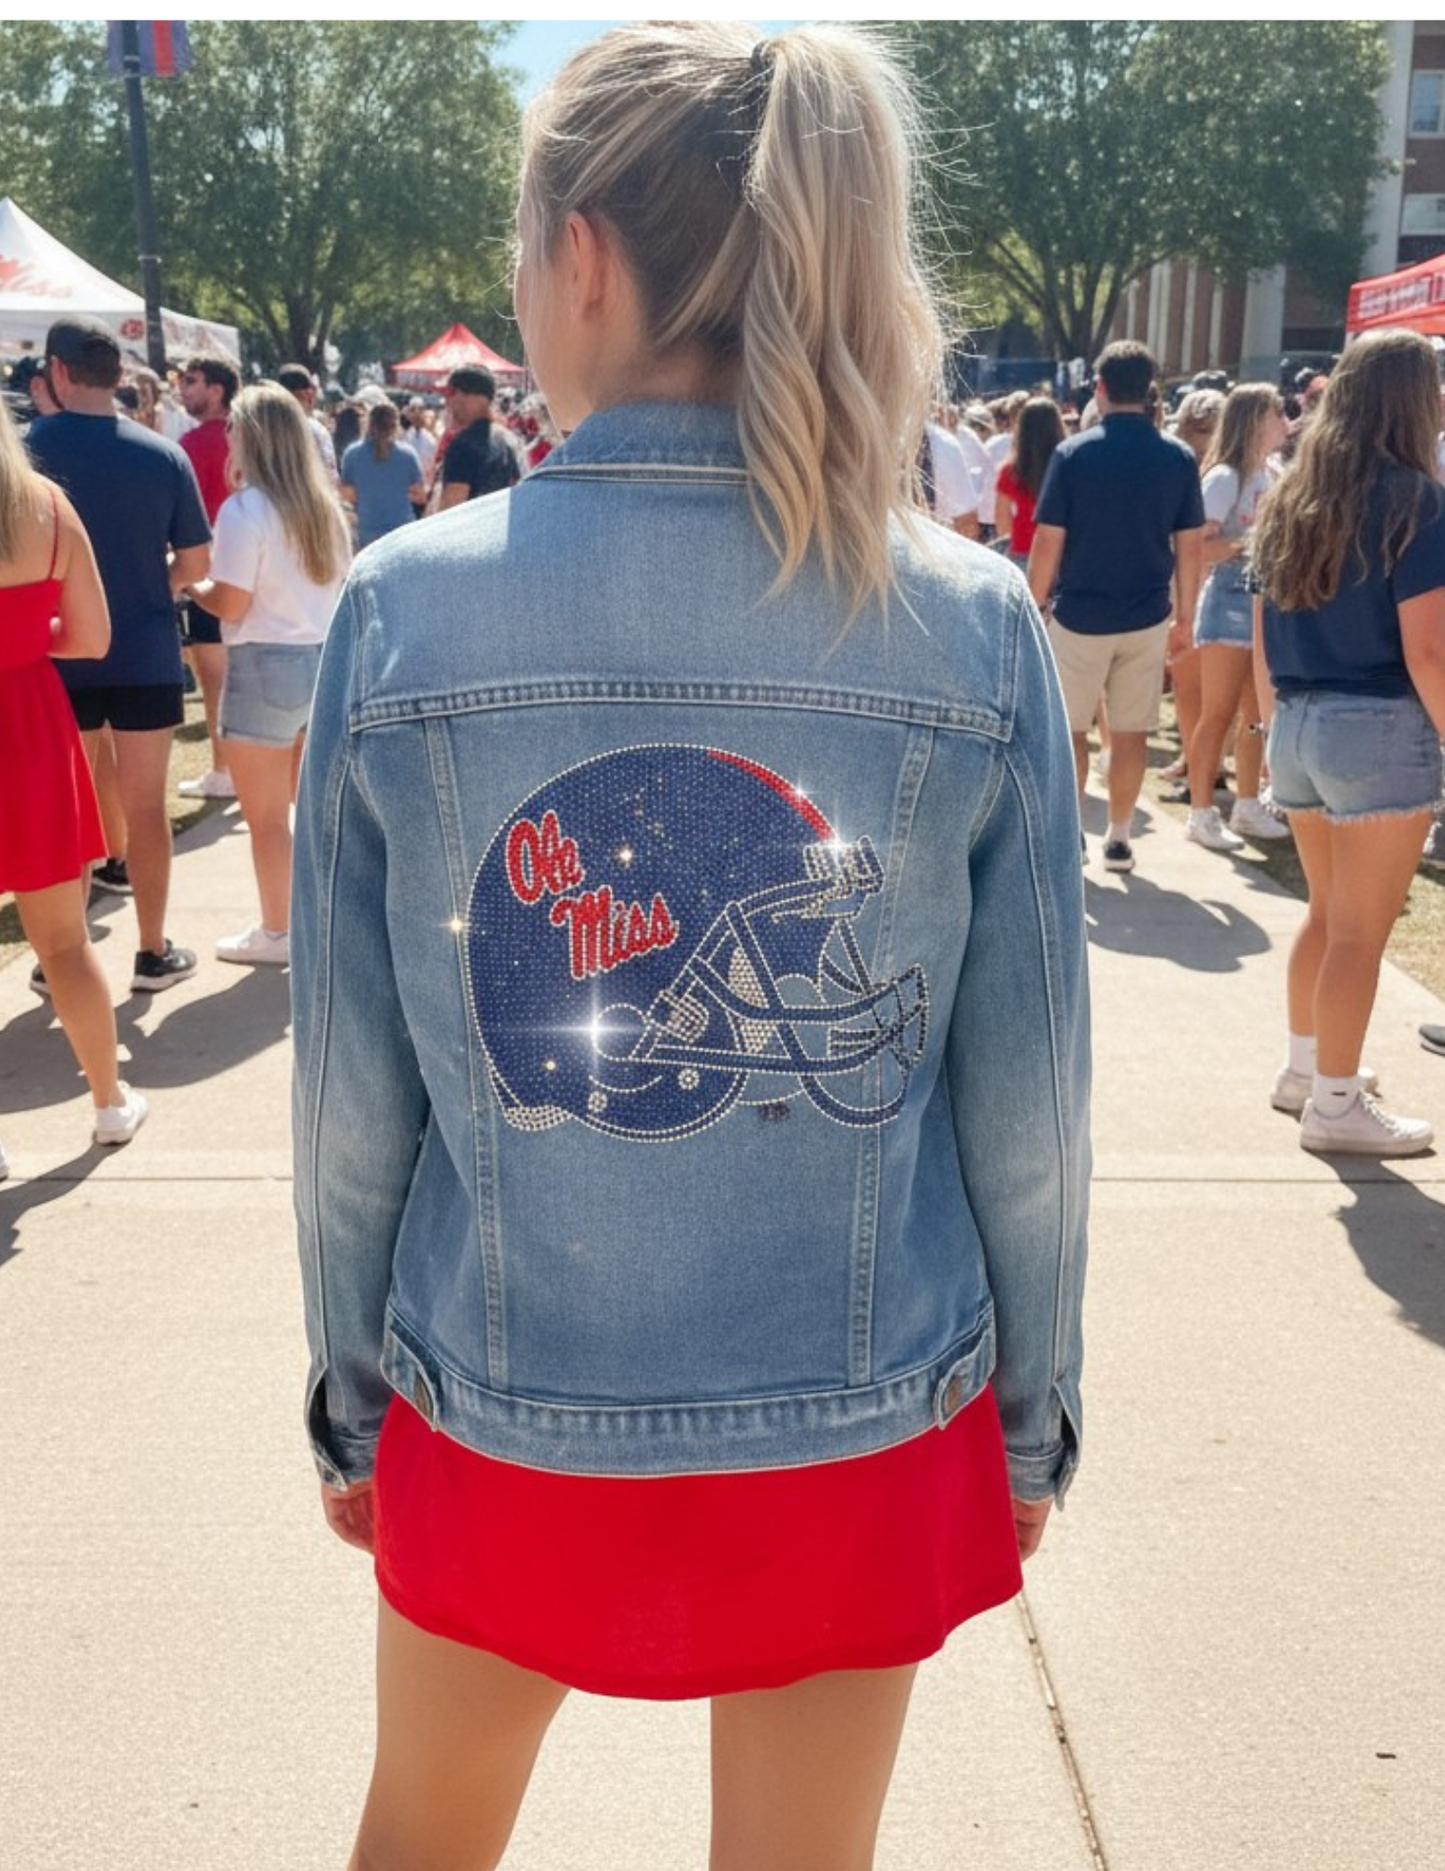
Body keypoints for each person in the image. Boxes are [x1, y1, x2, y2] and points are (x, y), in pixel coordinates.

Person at [292, 23, 1089, 1871]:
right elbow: (1033, 1104)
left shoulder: (408, 606)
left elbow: (351, 1099)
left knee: (423, 1831)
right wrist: (1028, 1416)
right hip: (862, 1405)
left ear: (584, 254)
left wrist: (354, 1396)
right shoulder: (969, 625)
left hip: (505, 1400)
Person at [1252, 328, 1445, 1155]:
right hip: (1375, 727)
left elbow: (1263, 631)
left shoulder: (1293, 493)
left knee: (1327, 917)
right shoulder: (1415, 498)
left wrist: (1268, 727)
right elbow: (1427, 647)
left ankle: (1309, 1074)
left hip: (1295, 722)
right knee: (1361, 932)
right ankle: (1334, 1100)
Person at [27, 316, 211, 993]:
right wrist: (147, 587)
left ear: (58, 372)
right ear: (117, 377)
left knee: (66, 811)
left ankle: (62, 957)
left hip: (55, 652)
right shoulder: (163, 454)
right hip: (142, 647)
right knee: (144, 808)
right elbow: (195, 559)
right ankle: (152, 949)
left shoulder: (23, 452)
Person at [0, 396, 147, 1153]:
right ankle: (109, 1102)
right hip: (28, 728)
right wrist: (22, 636)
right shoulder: (48, 509)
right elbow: (91, 637)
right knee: (62, 941)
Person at [184, 384, 349, 968]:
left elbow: (229, 602)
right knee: (313, 816)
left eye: (233, 425)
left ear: (250, 436)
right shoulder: (322, 507)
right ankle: (317, 923)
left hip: (264, 664)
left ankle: (278, 931)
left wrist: (187, 585)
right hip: (325, 662)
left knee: (267, 823)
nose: (225, 434)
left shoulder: (245, 510)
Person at [1028, 339, 1204, 874]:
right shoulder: (1178, 457)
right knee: (1132, 733)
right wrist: (1186, 617)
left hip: (1080, 613)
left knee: (1072, 731)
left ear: (1099, 388)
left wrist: (1034, 605)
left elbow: (1048, 540)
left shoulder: (1074, 453)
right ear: (1150, 390)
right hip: (1147, 614)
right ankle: (1120, 837)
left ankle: (1076, 834)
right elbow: (1190, 546)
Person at [1184, 383, 1292, 852]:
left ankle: (1247, 803)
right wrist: (1253, 543)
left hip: (1264, 598)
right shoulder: (1225, 476)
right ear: (1256, 420)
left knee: (1255, 712)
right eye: (1277, 413)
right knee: (1219, 712)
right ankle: (1201, 810)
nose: (1286, 422)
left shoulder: (1272, 472)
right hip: (1229, 597)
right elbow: (1197, 547)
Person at [176, 352, 241, 801]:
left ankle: (224, 769)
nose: (183, 388)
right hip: (252, 572)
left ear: (216, 390)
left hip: (214, 574)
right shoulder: (247, 439)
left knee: (214, 677)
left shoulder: (194, 445)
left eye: (191, 380)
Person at [340, 401, 425, 548]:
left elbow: (348, 495)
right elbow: (420, 496)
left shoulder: (352, 454)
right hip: (403, 530)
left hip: (367, 531)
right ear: (396, 425)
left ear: (368, 422)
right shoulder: (408, 455)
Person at [995, 395, 1064, 568]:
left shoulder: (1011, 470)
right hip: (1064, 551)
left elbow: (1002, 519)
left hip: (1023, 551)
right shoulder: (1070, 465)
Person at [437, 365, 520, 509]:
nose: (448, 402)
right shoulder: (509, 440)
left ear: (474, 397)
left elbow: (451, 509)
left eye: (451, 392)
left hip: (470, 528)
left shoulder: (463, 446)